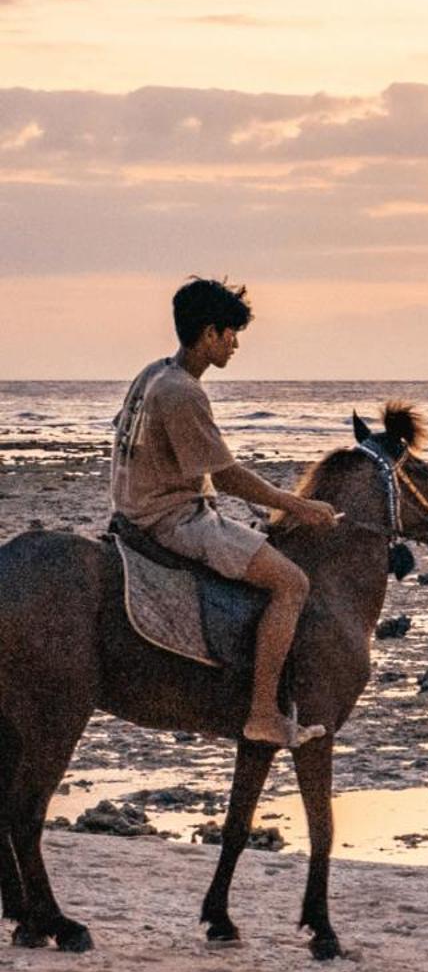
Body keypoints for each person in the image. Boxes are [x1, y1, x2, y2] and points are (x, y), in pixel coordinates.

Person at [111, 278, 339, 748]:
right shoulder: (183, 391)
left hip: (135, 509)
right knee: (292, 583)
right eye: (231, 333)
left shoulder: (153, 372)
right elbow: (227, 475)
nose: (235, 344)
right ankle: (262, 714)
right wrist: (298, 505)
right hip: (172, 521)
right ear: (210, 333)